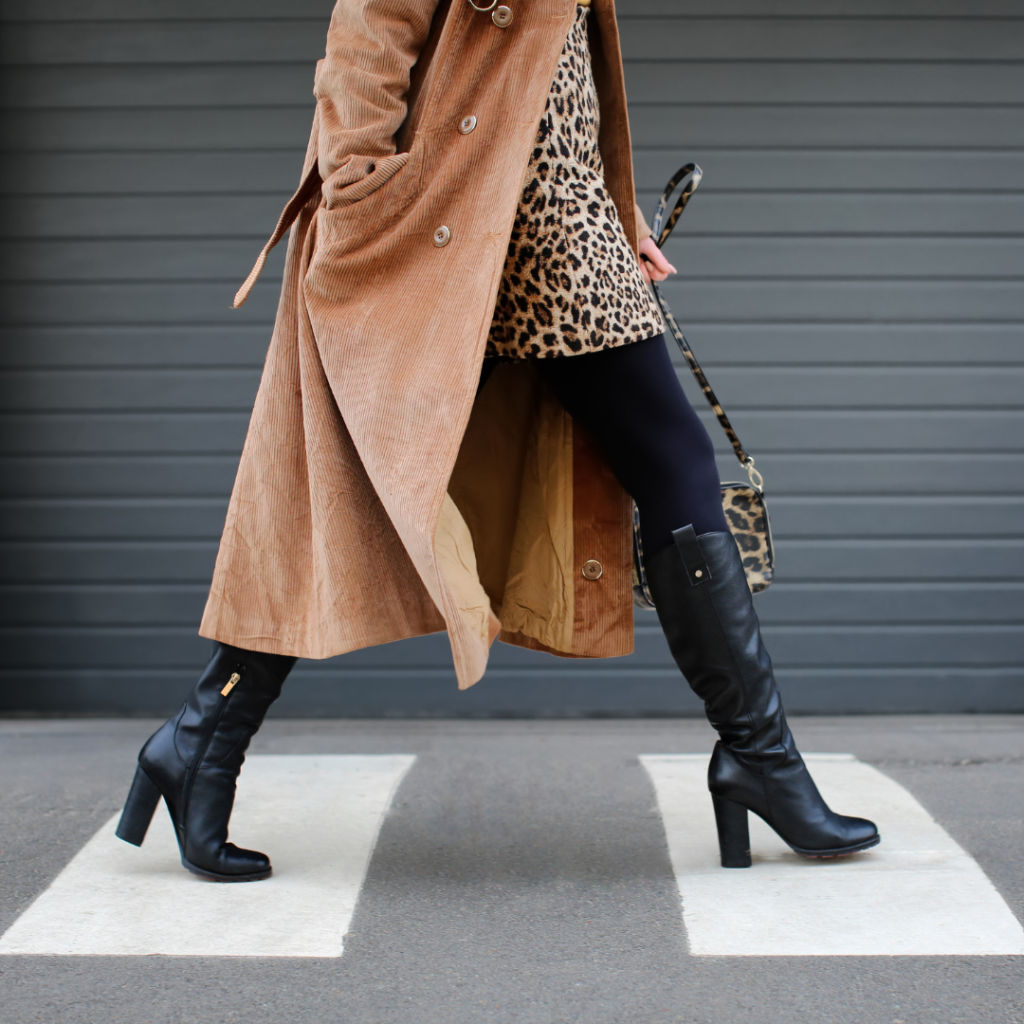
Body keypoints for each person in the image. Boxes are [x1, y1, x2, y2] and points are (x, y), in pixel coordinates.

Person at [114, 0, 878, 882]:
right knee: (658, 464)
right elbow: (369, 27)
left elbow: (551, 74)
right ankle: (759, 759)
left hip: (549, 209)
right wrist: (361, 186)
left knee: (390, 476)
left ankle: (198, 741)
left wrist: (610, 198)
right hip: (484, 215)